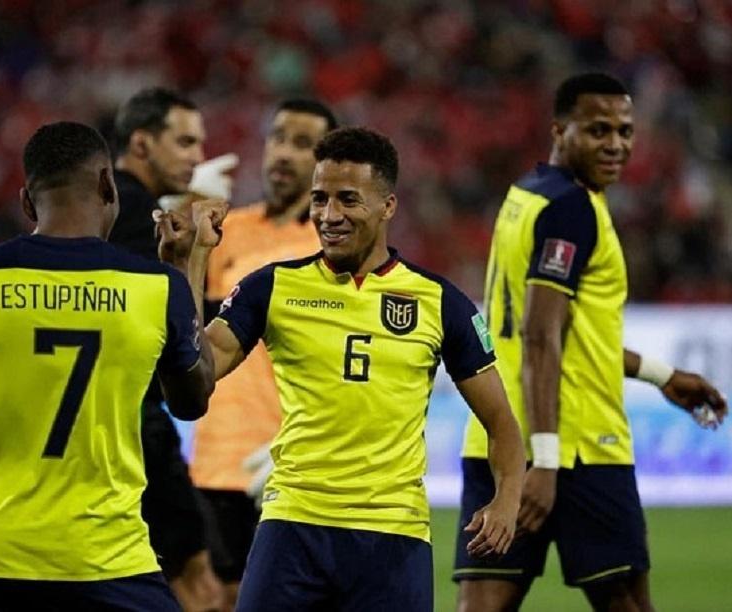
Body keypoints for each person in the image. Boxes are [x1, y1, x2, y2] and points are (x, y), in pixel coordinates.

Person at [159, 127, 526, 610]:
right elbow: (192, 389)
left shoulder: (441, 303)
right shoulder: (271, 288)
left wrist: (506, 501)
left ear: (388, 206)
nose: (329, 216)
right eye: (319, 199)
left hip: (392, 534)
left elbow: (502, 424)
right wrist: (190, 262)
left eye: (348, 200)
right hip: (293, 523)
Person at [0, 121, 217, 612]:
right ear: (109, 186)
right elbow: (192, 401)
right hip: (112, 565)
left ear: (27, 203)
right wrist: (185, 268)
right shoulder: (156, 287)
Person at [455, 73, 728, 612]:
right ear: (560, 129)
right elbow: (538, 334)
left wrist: (661, 375)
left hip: (495, 436)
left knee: (482, 606)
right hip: (578, 443)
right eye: (598, 130)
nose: (616, 144)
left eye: (625, 131)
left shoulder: (525, 195)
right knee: (626, 601)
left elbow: (565, 332)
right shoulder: (572, 209)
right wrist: (548, 461)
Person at [189, 98, 337, 609]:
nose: (284, 153)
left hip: (290, 466)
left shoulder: (332, 248)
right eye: (278, 138)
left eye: (303, 144)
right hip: (216, 461)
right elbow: (188, 325)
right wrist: (180, 211)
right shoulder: (227, 230)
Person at [109, 86, 229, 610]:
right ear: (141, 143)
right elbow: (179, 327)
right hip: (138, 424)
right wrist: (196, 251)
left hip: (97, 428)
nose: (196, 156)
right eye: (183, 142)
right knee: (199, 581)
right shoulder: (137, 219)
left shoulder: (97, 210)